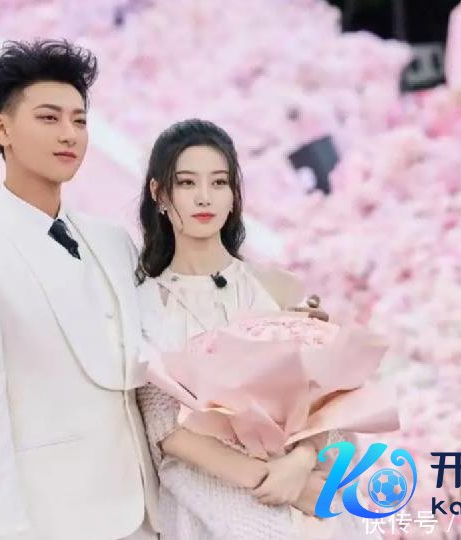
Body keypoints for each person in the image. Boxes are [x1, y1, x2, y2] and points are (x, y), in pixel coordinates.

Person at [0, 39, 159, 540]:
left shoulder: (113, 241)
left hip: (146, 515)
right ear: (1, 129)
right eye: (49, 118)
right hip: (53, 523)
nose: (69, 134)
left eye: (79, 120)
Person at [134, 119, 373, 539]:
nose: (204, 197)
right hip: (211, 506)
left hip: (308, 501)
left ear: (233, 195)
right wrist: (272, 481)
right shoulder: (144, 304)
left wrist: (300, 464)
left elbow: (326, 404)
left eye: (219, 182)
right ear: (159, 193)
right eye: (187, 183)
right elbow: (166, 430)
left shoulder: (276, 286)